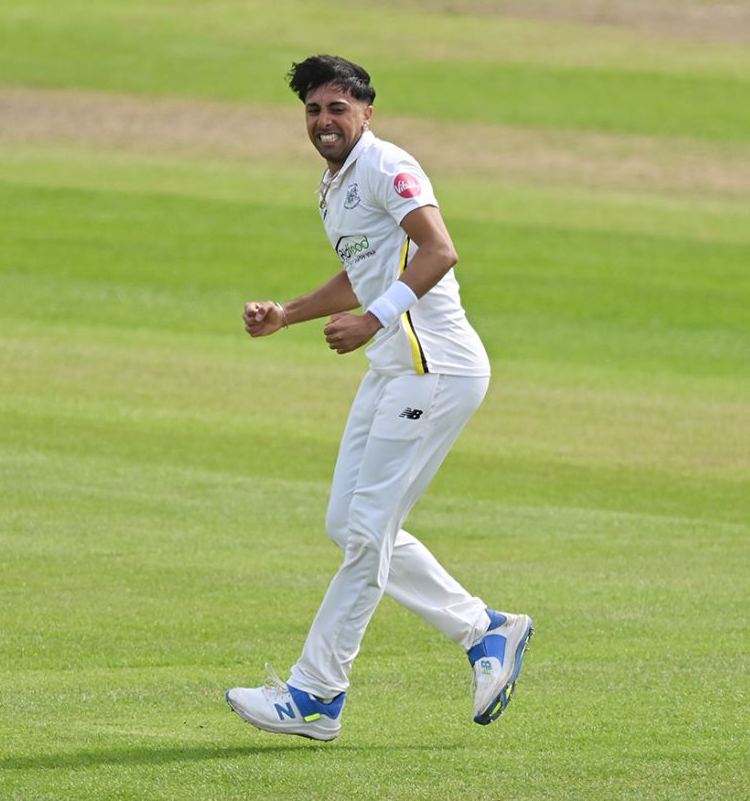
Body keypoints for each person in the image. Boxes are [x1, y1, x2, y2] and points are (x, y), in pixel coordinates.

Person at [226, 55, 532, 741]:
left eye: (337, 108)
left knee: (367, 535)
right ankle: (486, 631)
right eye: (313, 110)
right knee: (353, 527)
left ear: (367, 112)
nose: (324, 121)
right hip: (394, 372)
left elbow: (439, 250)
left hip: (437, 370)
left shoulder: (388, 165)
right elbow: (361, 270)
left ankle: (314, 696)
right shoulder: (333, 185)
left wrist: (374, 319)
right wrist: (289, 313)